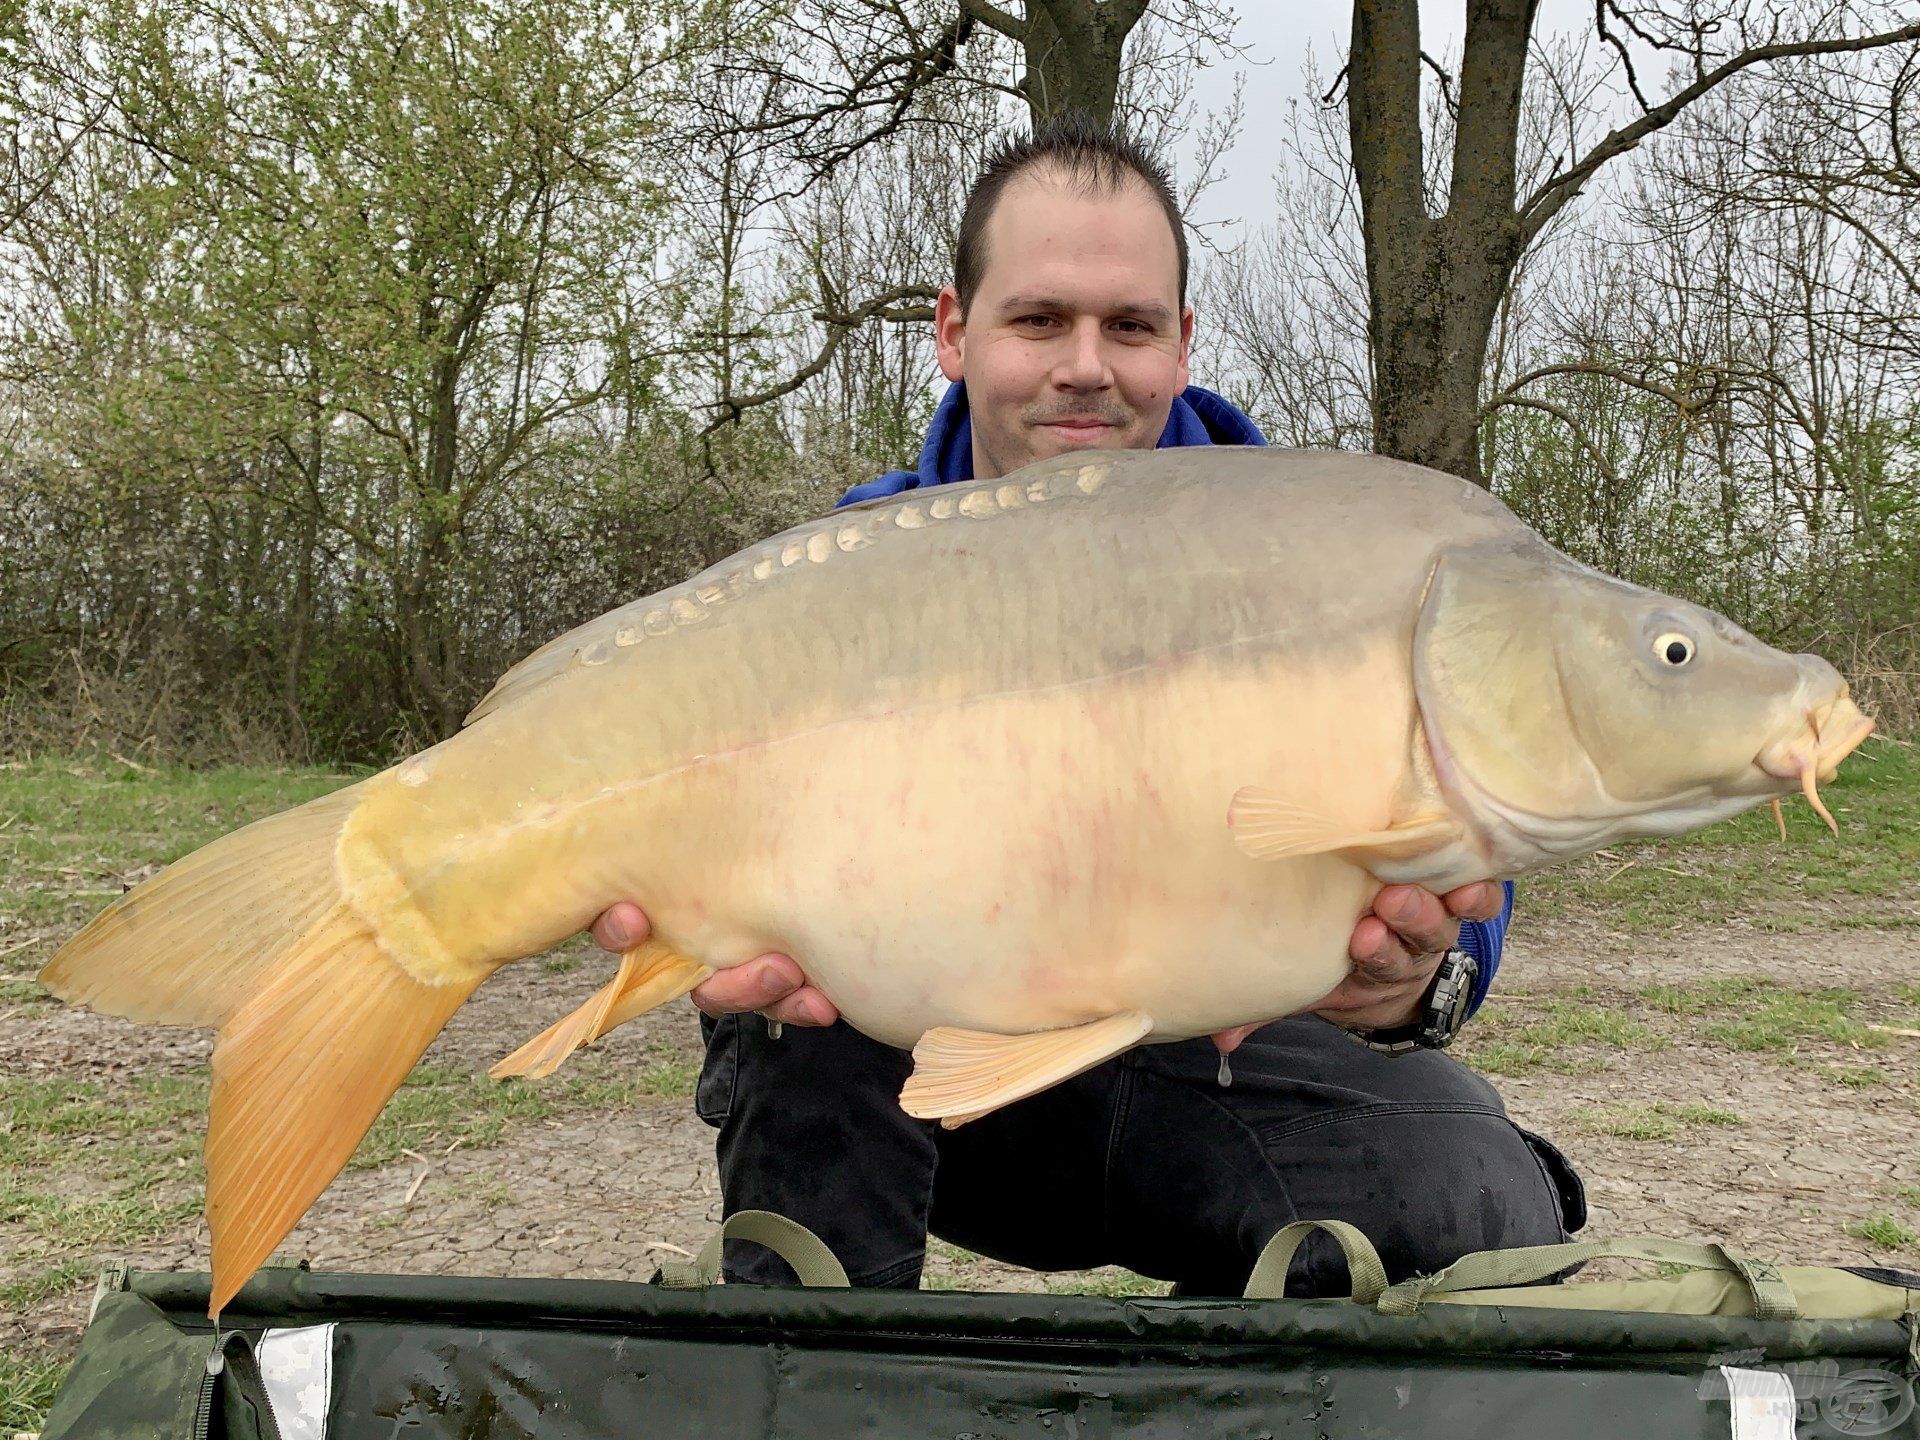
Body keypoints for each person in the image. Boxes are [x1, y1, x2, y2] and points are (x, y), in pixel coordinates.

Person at [589, 117, 1585, 1296]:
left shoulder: (1313, 562)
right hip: (921, 1083)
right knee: (802, 992)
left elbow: (1466, 871)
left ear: (1182, 344)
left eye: (1129, 326)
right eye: (1040, 319)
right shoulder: (846, 580)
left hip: (1213, 1069)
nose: (1086, 366)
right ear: (955, 333)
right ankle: (820, 1359)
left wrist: (1412, 980)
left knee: (1498, 1206)